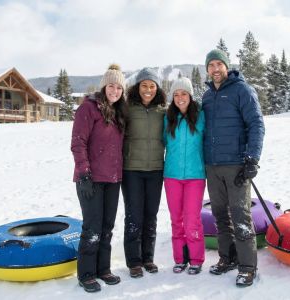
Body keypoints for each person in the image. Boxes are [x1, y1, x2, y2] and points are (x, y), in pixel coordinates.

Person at [201, 49, 265, 287]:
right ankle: (227, 258)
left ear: (226, 66)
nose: (215, 69)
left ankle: (247, 266)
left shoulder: (242, 90)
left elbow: (256, 124)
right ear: (207, 69)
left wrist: (252, 158)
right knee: (220, 215)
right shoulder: (207, 96)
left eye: (219, 64)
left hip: (236, 164)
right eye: (211, 65)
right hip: (213, 165)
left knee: (240, 215)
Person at [71, 64, 127, 293]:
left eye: (119, 88)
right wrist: (83, 173)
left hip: (113, 179)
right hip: (91, 179)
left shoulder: (118, 112)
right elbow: (78, 142)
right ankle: (86, 273)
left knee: (107, 226)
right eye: (111, 86)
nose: (115, 91)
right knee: (92, 227)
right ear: (104, 87)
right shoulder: (88, 108)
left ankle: (103, 269)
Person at [122, 67, 167, 278]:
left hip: (156, 169)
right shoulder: (127, 108)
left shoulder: (163, 111)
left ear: (157, 88)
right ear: (137, 87)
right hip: (132, 170)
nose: (148, 90)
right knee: (134, 216)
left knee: (151, 216)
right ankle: (134, 261)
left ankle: (148, 258)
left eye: (152, 86)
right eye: (144, 85)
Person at [163, 77, 206, 275]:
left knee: (192, 219)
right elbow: (162, 142)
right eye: (176, 94)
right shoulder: (167, 118)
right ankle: (180, 258)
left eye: (184, 94)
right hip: (171, 175)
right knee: (176, 219)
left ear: (190, 96)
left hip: (195, 176)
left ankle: (196, 259)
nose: (180, 98)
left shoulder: (201, 116)